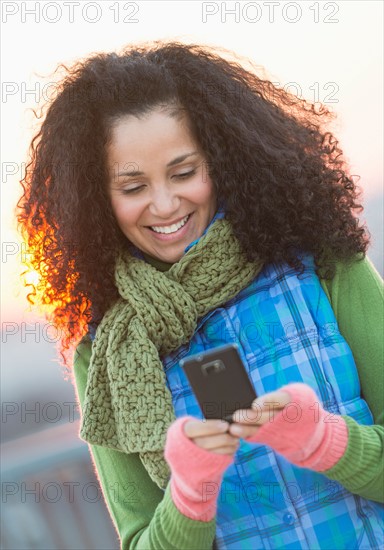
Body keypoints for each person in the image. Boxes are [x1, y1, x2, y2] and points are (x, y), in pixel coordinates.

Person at [17, 41, 383, 549]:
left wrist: (327, 441)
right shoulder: (101, 353)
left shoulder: (324, 262)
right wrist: (190, 494)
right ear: (96, 199)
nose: (165, 205)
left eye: (184, 173)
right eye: (132, 187)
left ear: (225, 158)